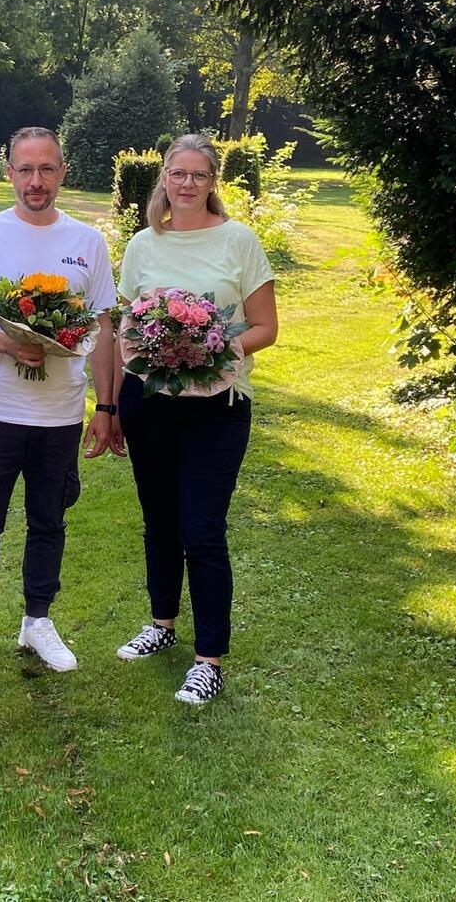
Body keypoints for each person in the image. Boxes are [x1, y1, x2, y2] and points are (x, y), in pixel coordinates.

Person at [109, 133, 278, 704]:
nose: (187, 184)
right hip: (149, 403)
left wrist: (206, 351)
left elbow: (264, 328)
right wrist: (110, 404)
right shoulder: (141, 245)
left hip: (217, 407)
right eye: (177, 174)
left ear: (213, 183)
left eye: (198, 175)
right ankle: (161, 625)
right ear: (164, 179)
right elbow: (125, 326)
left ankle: (209, 659)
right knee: (159, 522)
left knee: (201, 530)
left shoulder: (239, 241)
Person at [0, 126, 117, 678]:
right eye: (25, 169)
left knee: (49, 520)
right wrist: (7, 341)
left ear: (62, 173)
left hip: (60, 413)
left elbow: (103, 328)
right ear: (9, 172)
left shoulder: (87, 242)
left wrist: (106, 408)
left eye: (47, 169)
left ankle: (37, 620)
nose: (35, 181)